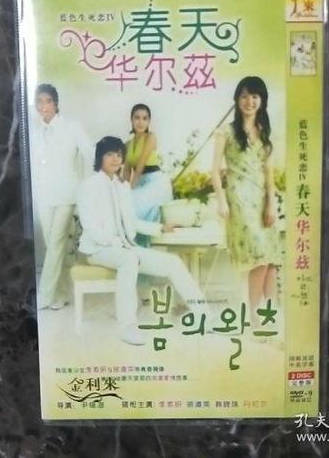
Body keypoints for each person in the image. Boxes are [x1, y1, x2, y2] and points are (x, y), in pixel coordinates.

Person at [77, 136, 207, 346]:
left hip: (126, 247)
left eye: (119, 155)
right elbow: (90, 227)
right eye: (109, 154)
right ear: (100, 157)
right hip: (97, 250)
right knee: (129, 260)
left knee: (172, 262)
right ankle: (127, 327)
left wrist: (160, 227)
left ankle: (204, 316)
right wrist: (116, 244)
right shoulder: (88, 185)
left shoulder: (122, 187)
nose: (115, 159)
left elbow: (132, 222)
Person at [212, 76, 281, 325]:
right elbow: (214, 171)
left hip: (261, 199)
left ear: (261, 100)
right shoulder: (226, 131)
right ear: (237, 100)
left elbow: (269, 173)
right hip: (239, 200)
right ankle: (254, 318)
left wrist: (271, 203)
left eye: (254, 96)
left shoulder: (264, 133)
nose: (249, 101)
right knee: (260, 259)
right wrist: (222, 201)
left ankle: (271, 318)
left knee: (271, 261)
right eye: (244, 96)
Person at [31, 83, 93, 310]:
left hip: (67, 195)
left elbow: (89, 153)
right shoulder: (35, 132)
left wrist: (85, 185)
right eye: (39, 101)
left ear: (56, 104)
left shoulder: (71, 126)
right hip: (44, 197)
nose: (44, 106)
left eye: (48, 101)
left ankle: (44, 297)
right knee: (53, 247)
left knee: (56, 242)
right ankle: (62, 294)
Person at [123, 104, 172, 246]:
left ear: (149, 121)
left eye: (145, 118)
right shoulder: (127, 144)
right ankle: (131, 246)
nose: (140, 122)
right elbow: (127, 171)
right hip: (140, 184)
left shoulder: (151, 137)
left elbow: (140, 167)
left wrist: (129, 189)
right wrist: (123, 190)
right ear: (131, 120)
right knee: (124, 201)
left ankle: (140, 246)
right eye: (137, 118)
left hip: (156, 183)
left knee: (131, 201)